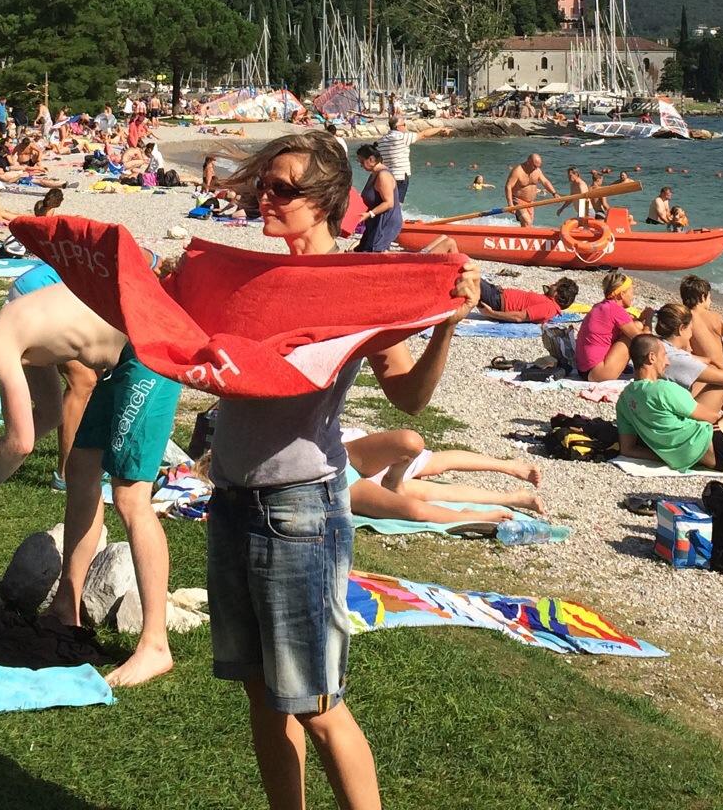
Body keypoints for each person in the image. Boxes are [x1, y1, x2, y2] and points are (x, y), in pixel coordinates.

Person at [205, 129, 478, 810]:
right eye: (262, 185)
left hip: (300, 510)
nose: (264, 199)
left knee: (317, 707)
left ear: (326, 200)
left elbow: (408, 396)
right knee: (263, 699)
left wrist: (446, 323)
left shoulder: (356, 288)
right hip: (232, 498)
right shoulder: (257, 281)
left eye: (281, 189)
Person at [0, 266, 180, 687]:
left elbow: (22, 444)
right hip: (122, 364)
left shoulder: (2, 342)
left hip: (150, 352)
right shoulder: (13, 329)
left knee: (130, 497)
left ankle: (155, 644)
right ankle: (68, 603)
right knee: (82, 470)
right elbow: (47, 414)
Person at [615, 334, 723, 471]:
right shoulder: (662, 389)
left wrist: (669, 455)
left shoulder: (624, 400)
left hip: (714, 461)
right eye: (664, 356)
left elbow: (628, 449)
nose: (667, 362)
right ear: (651, 358)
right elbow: (712, 417)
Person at [341, 427, 544, 525]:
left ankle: (509, 466)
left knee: (418, 449)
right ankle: (513, 498)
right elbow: (416, 511)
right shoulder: (345, 488)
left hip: (343, 456)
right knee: (428, 493)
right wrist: (468, 518)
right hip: (346, 477)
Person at [645, 302, 723, 404]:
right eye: (690, 329)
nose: (691, 333)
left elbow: (696, 360)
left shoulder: (657, 345)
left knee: (716, 377)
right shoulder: (677, 358)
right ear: (681, 329)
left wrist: (713, 361)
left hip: (661, 403)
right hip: (676, 415)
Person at [573, 271, 643, 380]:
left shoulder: (601, 306)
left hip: (584, 369)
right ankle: (646, 373)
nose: (633, 296)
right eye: (631, 292)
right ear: (621, 294)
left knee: (634, 326)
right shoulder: (614, 309)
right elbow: (642, 340)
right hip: (597, 372)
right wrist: (647, 320)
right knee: (636, 333)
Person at [677, 274, 723, 369]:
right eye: (709, 298)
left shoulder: (686, 318)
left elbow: (685, 350)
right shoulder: (716, 316)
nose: (710, 301)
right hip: (721, 367)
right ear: (703, 297)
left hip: (703, 368)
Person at [353, 144, 402, 254]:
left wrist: (369, 214)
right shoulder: (374, 174)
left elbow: (389, 203)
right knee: (363, 250)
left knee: (375, 252)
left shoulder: (383, 175)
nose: (360, 165)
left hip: (385, 220)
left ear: (371, 159)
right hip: (374, 220)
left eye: (361, 162)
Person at [473, 274, 577, 324]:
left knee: (467, 276)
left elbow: (519, 317)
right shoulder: (548, 302)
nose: (550, 285)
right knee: (469, 278)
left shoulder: (549, 308)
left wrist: (491, 313)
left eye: (554, 285)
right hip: (497, 296)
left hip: (497, 301)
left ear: (557, 294)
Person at [504, 153, 557, 227]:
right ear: (528, 162)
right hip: (518, 200)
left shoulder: (537, 170)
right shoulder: (518, 171)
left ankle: (521, 237)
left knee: (527, 225)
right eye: (534, 166)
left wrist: (554, 193)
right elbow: (508, 186)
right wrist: (510, 204)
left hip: (531, 203)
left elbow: (545, 182)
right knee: (527, 222)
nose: (536, 168)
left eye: (538, 166)